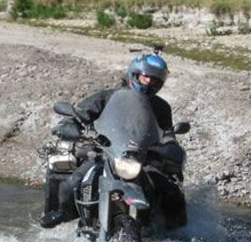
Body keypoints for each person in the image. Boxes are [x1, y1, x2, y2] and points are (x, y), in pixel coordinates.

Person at [40, 52, 185, 229]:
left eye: (154, 80)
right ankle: (64, 212)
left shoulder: (161, 107)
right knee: (73, 182)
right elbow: (80, 114)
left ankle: (178, 231)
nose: (149, 82)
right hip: (106, 153)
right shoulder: (107, 97)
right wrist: (70, 125)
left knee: (170, 189)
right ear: (135, 74)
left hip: (140, 158)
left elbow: (166, 131)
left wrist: (170, 144)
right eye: (145, 77)